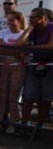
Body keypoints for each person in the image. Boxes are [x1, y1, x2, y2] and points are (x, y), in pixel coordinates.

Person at [15, 8, 53, 136]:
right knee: (28, 96)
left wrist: (31, 48)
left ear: (42, 18)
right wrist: (30, 28)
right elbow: (20, 43)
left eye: (33, 17)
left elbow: (50, 45)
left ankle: (40, 127)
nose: (30, 19)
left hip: (50, 66)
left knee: (45, 98)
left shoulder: (52, 27)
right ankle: (23, 125)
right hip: (35, 64)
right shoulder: (33, 30)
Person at [0, 11, 26, 134]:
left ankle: (12, 124)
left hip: (18, 68)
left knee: (13, 96)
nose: (9, 23)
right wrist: (14, 51)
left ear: (19, 21)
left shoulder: (23, 35)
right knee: (2, 95)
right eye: (8, 20)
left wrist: (8, 50)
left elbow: (23, 55)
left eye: (12, 20)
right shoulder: (2, 32)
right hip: (4, 65)